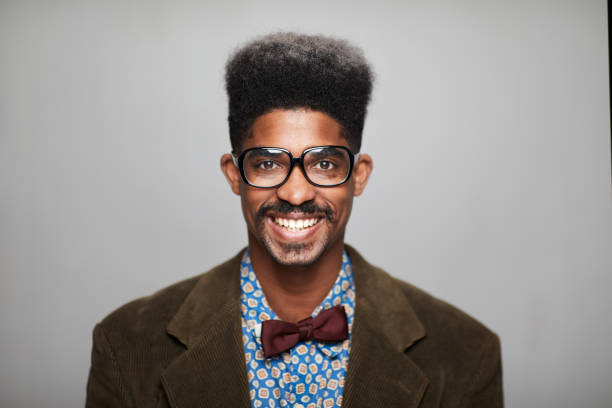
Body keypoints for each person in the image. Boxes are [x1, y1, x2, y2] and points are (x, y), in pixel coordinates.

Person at [86, 32, 503, 408]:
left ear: (359, 177)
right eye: (268, 164)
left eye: (324, 163)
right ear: (235, 175)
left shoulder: (466, 352)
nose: (296, 193)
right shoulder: (126, 345)